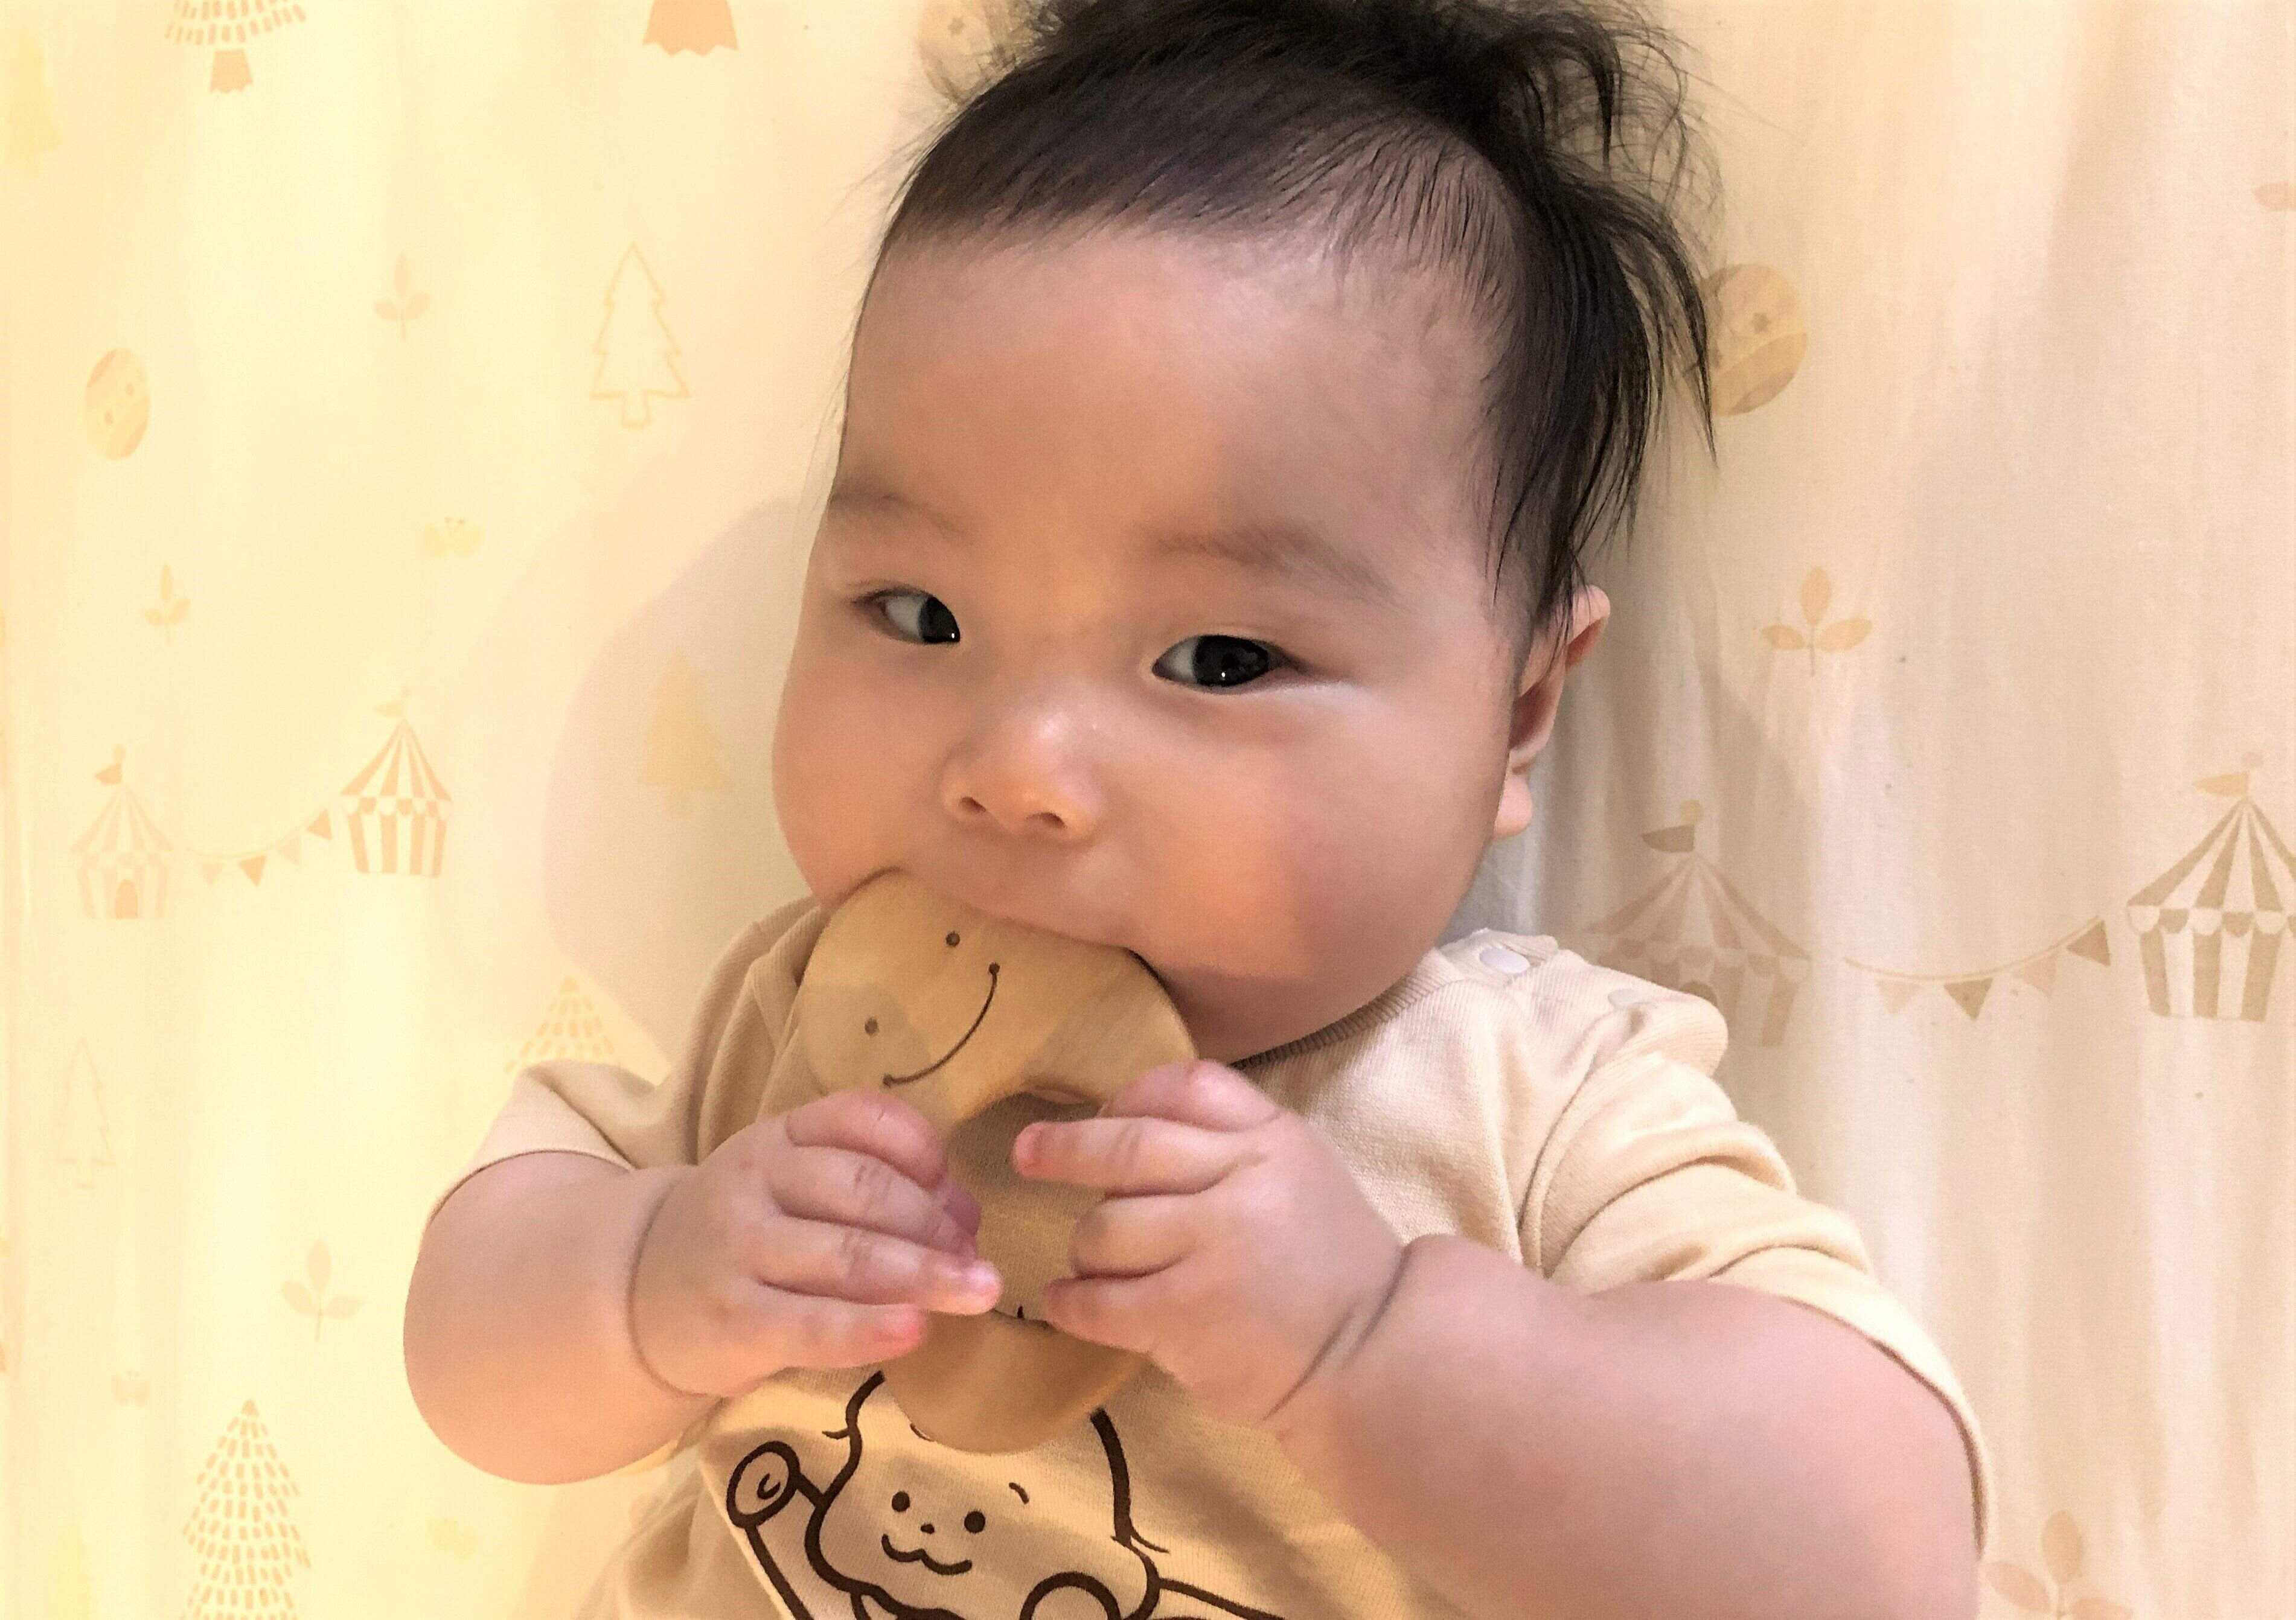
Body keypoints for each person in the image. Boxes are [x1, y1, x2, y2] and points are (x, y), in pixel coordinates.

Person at [404, 1, 1992, 1615]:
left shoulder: (1528, 1095)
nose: (1015, 765)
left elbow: (1877, 1558)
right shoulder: (803, 1022)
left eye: (1219, 658)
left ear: (1519, 710)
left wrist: (1363, 1340)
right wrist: (648, 1281)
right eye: (919, 615)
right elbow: (469, 1368)